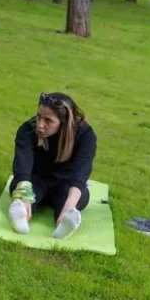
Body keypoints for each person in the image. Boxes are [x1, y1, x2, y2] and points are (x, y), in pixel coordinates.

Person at [8, 92, 97, 239]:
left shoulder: (85, 135)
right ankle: (21, 215)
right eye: (38, 116)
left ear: (64, 122)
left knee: (71, 200)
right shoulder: (27, 130)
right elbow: (22, 168)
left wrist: (69, 207)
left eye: (48, 120)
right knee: (23, 189)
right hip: (35, 180)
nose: (40, 124)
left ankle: (65, 224)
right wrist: (24, 196)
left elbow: (80, 175)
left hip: (66, 184)